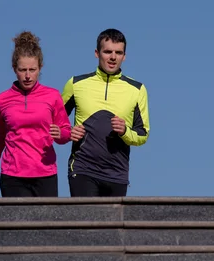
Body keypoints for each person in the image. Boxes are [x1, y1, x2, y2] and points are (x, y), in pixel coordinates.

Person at [61, 28, 150, 197]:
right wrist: (68, 132)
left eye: (118, 52)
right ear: (97, 53)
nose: (113, 57)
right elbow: (54, 121)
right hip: (83, 168)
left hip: (117, 173)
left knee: (112, 225)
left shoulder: (137, 89)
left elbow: (143, 134)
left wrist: (125, 131)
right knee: (85, 222)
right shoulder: (76, 84)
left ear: (124, 56)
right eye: (107, 51)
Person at [0, 31, 71, 197]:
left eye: (33, 69)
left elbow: (66, 131)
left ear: (40, 68)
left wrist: (61, 134)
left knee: (47, 223)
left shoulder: (52, 96)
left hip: (45, 174)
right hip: (13, 176)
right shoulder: (3, 100)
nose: (28, 76)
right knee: (18, 223)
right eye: (23, 70)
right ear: (14, 69)